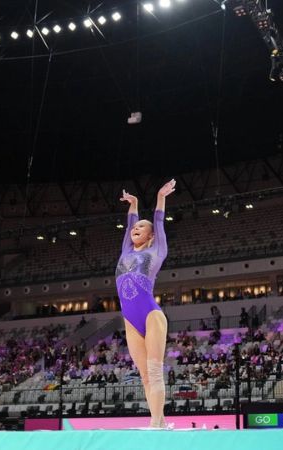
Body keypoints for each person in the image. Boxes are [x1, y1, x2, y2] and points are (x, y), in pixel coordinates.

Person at [116, 179, 176, 428]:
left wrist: (161, 197)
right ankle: (159, 423)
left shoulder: (157, 249)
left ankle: (155, 424)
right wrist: (135, 204)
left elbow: (158, 221)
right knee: (144, 377)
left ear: (151, 236)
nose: (135, 229)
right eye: (134, 227)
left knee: (154, 371)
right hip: (130, 319)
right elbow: (130, 223)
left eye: (142, 227)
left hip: (151, 314)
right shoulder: (126, 252)